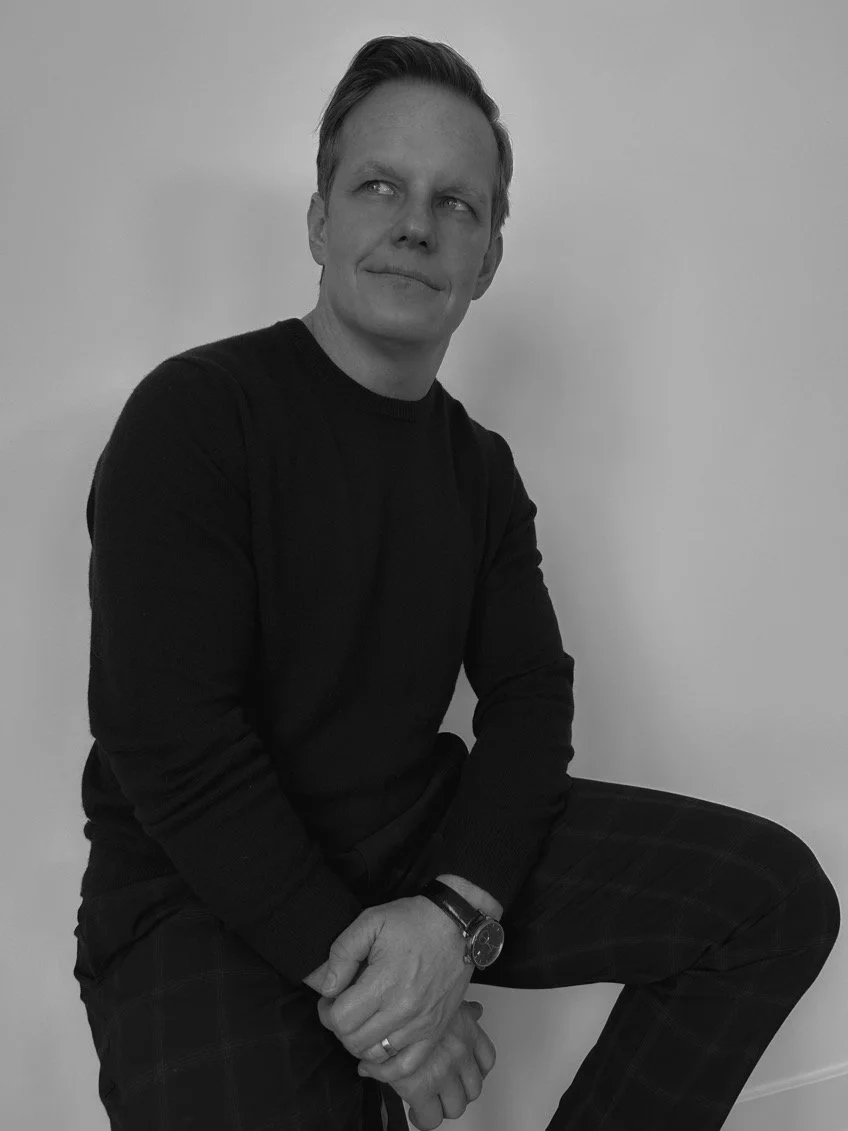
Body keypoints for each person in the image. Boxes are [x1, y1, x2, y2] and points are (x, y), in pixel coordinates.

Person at [72, 34, 840, 1131]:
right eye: (377, 184)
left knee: (769, 901)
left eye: (456, 203)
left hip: (407, 837)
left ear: (482, 260)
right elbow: (173, 746)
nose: (415, 223)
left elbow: (530, 700)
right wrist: (391, 1009)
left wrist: (451, 916)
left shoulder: (476, 469)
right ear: (318, 219)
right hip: (190, 890)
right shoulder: (195, 418)